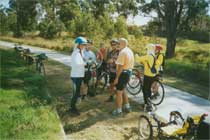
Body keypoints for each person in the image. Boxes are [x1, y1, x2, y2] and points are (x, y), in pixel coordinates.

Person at [112, 38, 134, 115]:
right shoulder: (129, 50)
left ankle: (119, 110)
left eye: (119, 43)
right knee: (123, 90)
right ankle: (127, 106)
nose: (117, 45)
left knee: (119, 92)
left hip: (123, 73)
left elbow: (120, 66)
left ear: (122, 44)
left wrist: (117, 78)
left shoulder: (123, 52)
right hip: (128, 72)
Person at [135, 44, 156, 112]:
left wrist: (136, 55)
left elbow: (138, 59)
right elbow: (145, 62)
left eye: (147, 49)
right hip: (152, 75)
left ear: (149, 49)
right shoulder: (153, 56)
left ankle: (147, 105)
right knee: (148, 89)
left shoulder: (148, 56)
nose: (146, 50)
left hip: (148, 75)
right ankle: (149, 103)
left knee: (145, 90)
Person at [70, 36, 87, 115]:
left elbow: (83, 60)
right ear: (78, 45)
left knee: (77, 91)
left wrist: (85, 62)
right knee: (76, 92)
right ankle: (72, 108)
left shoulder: (81, 52)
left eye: (84, 45)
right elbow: (77, 64)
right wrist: (85, 64)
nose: (84, 46)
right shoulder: (76, 53)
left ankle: (73, 105)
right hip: (76, 75)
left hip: (79, 75)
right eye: (82, 45)